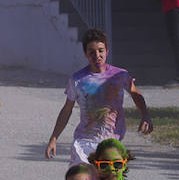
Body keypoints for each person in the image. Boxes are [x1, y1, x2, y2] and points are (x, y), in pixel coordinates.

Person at [45, 28, 153, 164]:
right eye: (92, 52)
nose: (97, 55)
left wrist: (145, 115)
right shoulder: (77, 80)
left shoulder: (119, 76)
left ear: (107, 51)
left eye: (101, 50)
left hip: (111, 142)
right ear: (85, 54)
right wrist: (53, 138)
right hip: (84, 143)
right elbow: (67, 109)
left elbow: (136, 94)